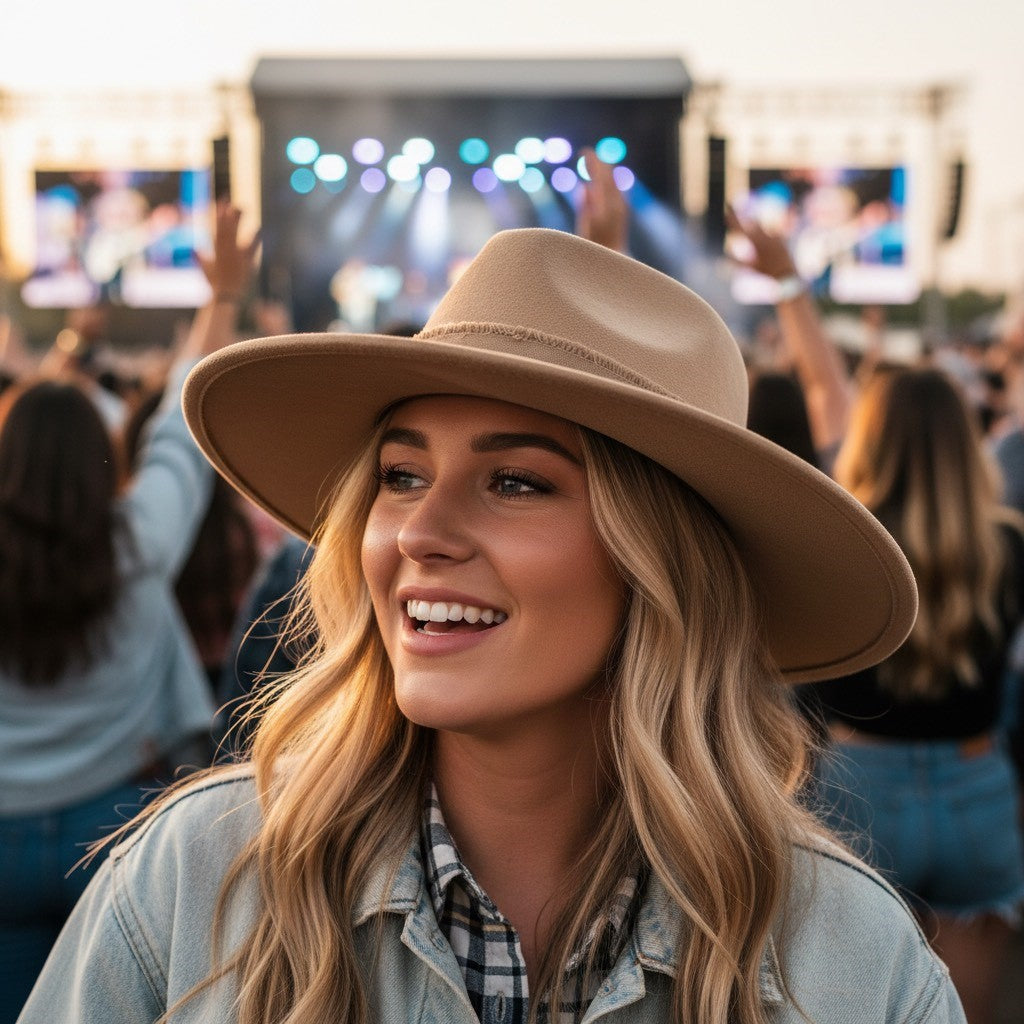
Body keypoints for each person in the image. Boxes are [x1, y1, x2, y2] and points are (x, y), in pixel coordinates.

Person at [19, 225, 962, 1024]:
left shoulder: (857, 963)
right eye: (400, 476)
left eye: (514, 482)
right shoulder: (191, 885)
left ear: (661, 564)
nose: (418, 532)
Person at [0, 204, 257, 1024]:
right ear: (100, 455)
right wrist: (223, 297)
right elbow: (182, 422)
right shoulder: (141, 540)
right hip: (115, 825)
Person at [813, 367, 1024, 1024]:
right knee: (968, 1012)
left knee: (850, 1008)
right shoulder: (1008, 545)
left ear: (869, 440)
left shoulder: (838, 545)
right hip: (975, 785)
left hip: (857, 788)